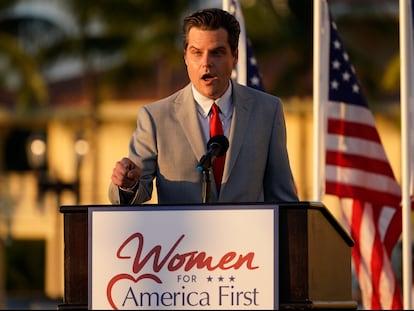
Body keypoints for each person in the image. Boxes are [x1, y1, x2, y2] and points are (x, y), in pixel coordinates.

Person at [109, 7, 298, 205]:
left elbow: (283, 197)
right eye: (197, 53)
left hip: (247, 236)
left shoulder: (267, 110)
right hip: (181, 236)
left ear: (235, 56)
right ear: (185, 57)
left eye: (216, 53)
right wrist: (127, 184)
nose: (206, 63)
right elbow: (134, 192)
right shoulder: (155, 117)